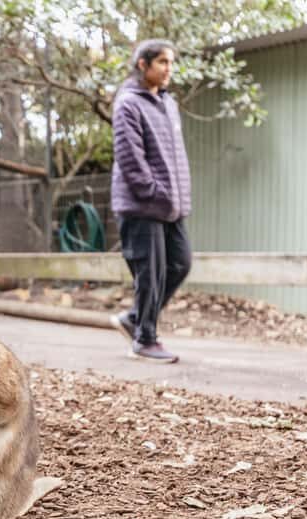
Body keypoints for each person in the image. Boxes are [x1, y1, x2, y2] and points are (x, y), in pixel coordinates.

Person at [109, 39, 192, 363]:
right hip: (142, 205)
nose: (168, 68)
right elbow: (130, 157)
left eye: (170, 62)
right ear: (143, 65)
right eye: (162, 62)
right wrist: (154, 191)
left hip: (171, 204)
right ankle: (144, 340)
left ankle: (134, 319)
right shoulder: (128, 103)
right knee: (151, 272)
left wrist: (177, 195)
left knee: (180, 263)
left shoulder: (168, 103)